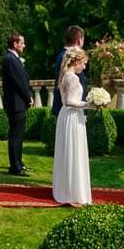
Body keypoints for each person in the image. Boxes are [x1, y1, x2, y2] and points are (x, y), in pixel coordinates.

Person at [52, 48, 92, 207]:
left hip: (66, 115)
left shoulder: (64, 75)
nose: (84, 67)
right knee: (73, 151)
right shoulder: (72, 78)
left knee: (68, 151)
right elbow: (69, 101)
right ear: (76, 62)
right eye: (83, 63)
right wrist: (90, 104)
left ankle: (66, 187)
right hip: (72, 114)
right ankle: (73, 191)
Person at [1, 33, 33, 176]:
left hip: (18, 102)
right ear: (15, 44)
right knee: (16, 135)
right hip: (16, 103)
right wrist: (28, 97)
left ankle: (18, 163)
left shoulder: (13, 58)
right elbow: (19, 82)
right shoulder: (10, 59)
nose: (24, 45)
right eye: (22, 43)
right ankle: (15, 166)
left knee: (18, 135)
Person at [52, 26, 86, 117]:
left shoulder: (60, 56)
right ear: (79, 40)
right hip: (73, 111)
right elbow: (79, 85)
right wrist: (86, 108)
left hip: (62, 108)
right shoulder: (75, 58)